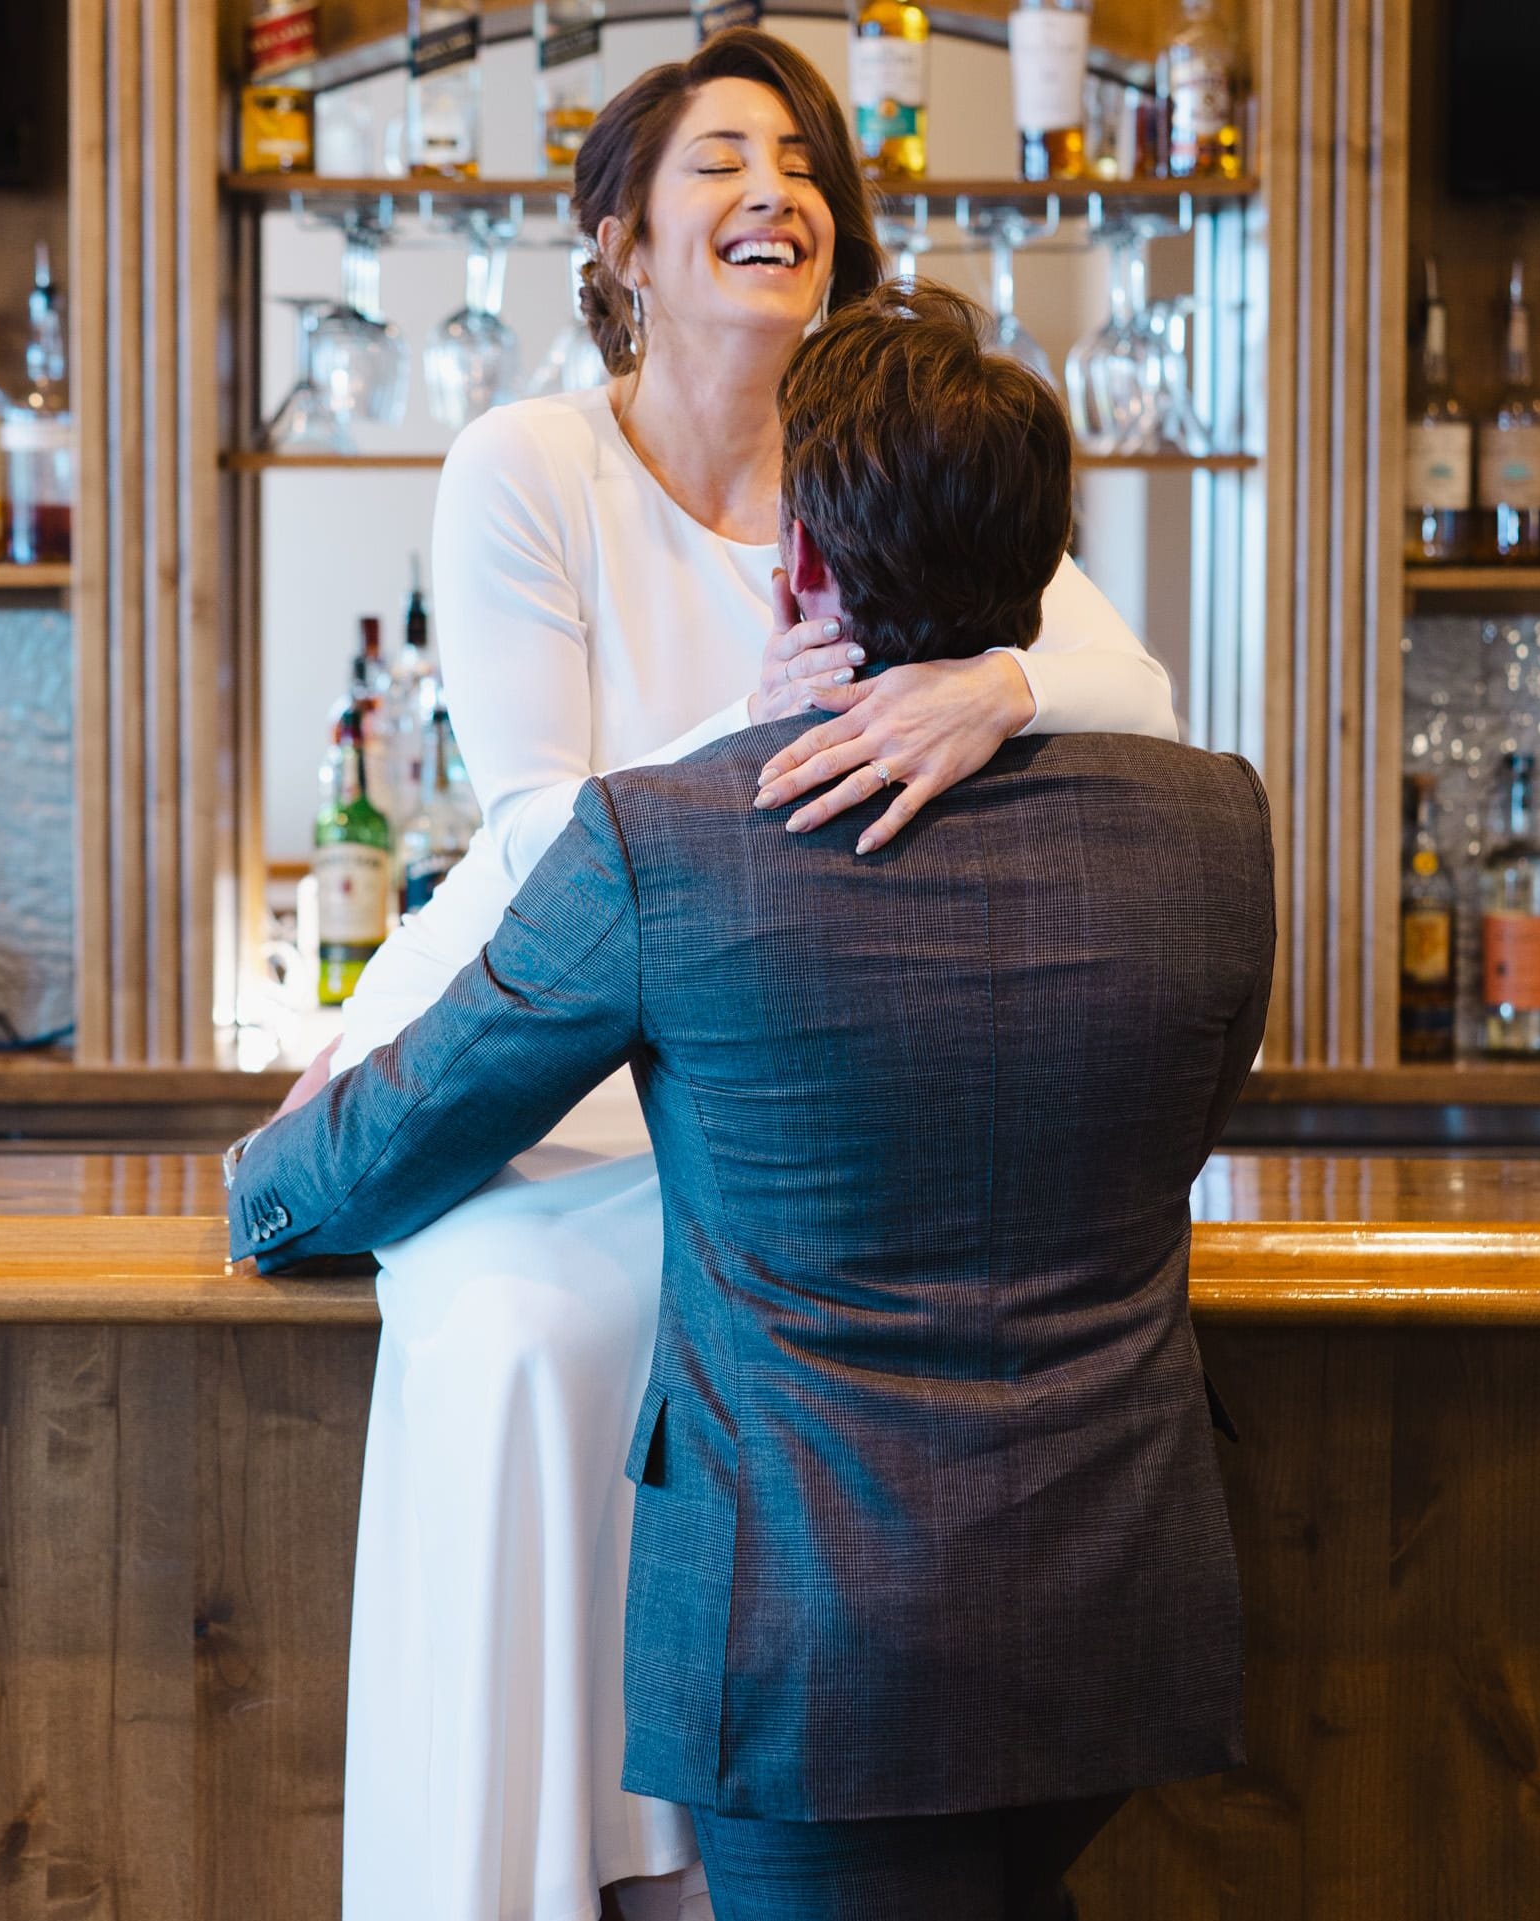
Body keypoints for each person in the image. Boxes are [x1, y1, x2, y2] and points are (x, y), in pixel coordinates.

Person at [232, 282, 1272, 1919]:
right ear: (1042, 573)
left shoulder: (671, 841)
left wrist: (262, 1180)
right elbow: (1178, 1129)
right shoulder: (1215, 826)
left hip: (816, 1647)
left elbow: (419, 1125)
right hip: (1115, 1605)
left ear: (799, 564)